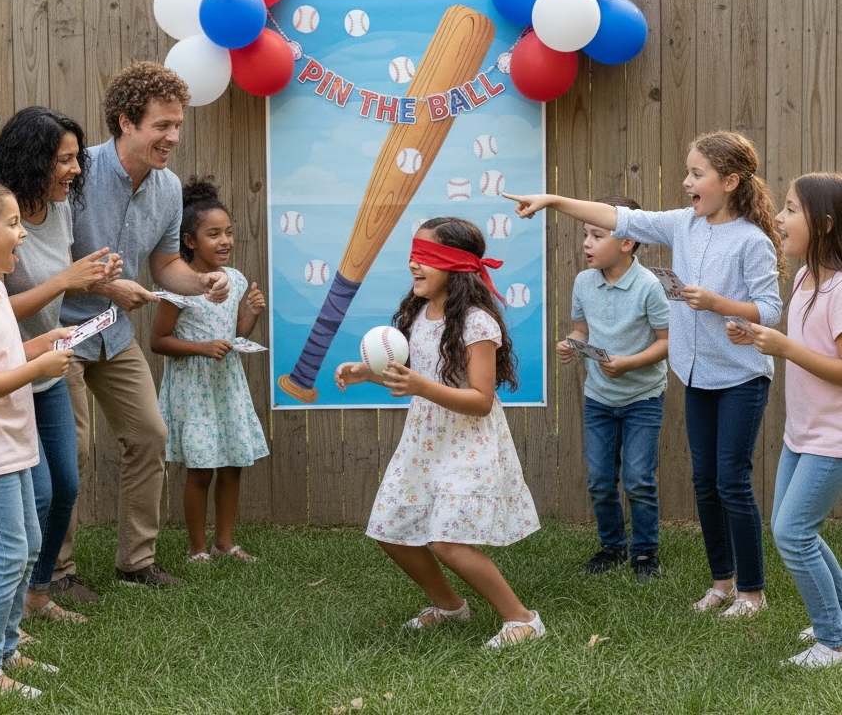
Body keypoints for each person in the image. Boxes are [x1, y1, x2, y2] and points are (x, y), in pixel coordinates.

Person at [506, 130, 784, 618]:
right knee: (704, 481)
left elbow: (770, 309)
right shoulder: (683, 225)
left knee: (731, 482)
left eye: (697, 174)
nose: (686, 181)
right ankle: (721, 583)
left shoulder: (753, 240)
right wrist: (553, 200)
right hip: (695, 375)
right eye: (688, 171)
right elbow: (619, 218)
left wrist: (717, 304)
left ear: (731, 181)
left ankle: (752, 592)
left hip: (741, 377)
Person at [53, 62, 229, 599]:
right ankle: (57, 573)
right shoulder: (76, 175)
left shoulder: (169, 187)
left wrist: (203, 282)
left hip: (113, 332)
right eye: (162, 126)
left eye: (177, 125)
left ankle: (136, 562)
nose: (173, 137)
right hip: (59, 331)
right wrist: (109, 289)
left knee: (149, 435)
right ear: (127, 121)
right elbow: (47, 264)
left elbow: (164, 265)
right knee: (74, 449)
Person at [334, 217, 544, 649]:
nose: (414, 263)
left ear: (456, 265)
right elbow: (413, 375)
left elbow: (481, 399)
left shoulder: (475, 322)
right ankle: (450, 607)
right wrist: (364, 374)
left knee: (447, 540)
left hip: (469, 443)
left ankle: (521, 619)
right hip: (425, 442)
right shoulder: (417, 314)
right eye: (413, 254)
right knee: (391, 530)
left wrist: (421, 386)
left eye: (426, 257)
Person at [0, 107, 122, 624]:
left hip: (44, 365)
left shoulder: (58, 208)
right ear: (31, 160)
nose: (75, 169)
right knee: (34, 495)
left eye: (77, 158)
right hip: (10, 377)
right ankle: (7, 614)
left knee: (65, 483)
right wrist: (64, 281)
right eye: (63, 159)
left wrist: (97, 279)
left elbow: (60, 279)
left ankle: (36, 595)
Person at [729, 174, 842, 667]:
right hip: (802, 432)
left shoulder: (840, 290)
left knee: (793, 534)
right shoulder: (801, 278)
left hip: (833, 438)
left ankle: (832, 640)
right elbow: (800, 342)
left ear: (826, 224)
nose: (779, 217)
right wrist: (758, 334)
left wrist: (785, 347)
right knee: (796, 529)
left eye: (792, 209)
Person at [0, 181, 74, 700]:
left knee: (30, 546)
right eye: (13, 223)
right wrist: (37, 367)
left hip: (15, 441)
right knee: (7, 552)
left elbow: (4, 354)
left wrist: (40, 344)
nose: (23, 234)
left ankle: (8, 650)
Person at [150, 177, 268, 563]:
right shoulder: (179, 287)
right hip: (194, 390)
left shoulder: (233, 280)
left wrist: (249, 312)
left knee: (233, 464)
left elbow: (236, 335)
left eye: (229, 233)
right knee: (202, 469)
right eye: (213, 234)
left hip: (226, 387)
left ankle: (225, 543)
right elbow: (159, 341)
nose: (225, 241)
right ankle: (198, 549)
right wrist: (200, 348)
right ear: (189, 241)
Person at [561, 195, 669, 581]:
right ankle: (612, 546)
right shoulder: (583, 282)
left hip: (643, 399)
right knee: (600, 480)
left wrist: (629, 364)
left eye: (597, 235)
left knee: (639, 479)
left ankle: (644, 553)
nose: (586, 243)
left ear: (627, 242)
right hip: (598, 400)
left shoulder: (649, 286)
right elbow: (581, 330)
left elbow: (667, 341)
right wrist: (571, 344)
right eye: (584, 234)